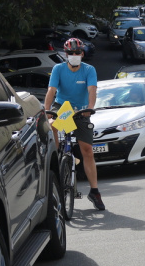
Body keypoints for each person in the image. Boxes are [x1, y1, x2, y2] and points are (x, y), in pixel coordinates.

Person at [44, 37, 105, 211]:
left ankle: (94, 191)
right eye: (70, 53)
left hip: (81, 110)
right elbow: (51, 91)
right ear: (66, 54)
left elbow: (92, 90)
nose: (74, 55)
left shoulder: (89, 70)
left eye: (77, 53)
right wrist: (46, 110)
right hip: (64, 108)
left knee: (87, 151)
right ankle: (57, 156)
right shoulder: (58, 69)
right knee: (53, 123)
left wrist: (90, 108)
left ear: (82, 54)